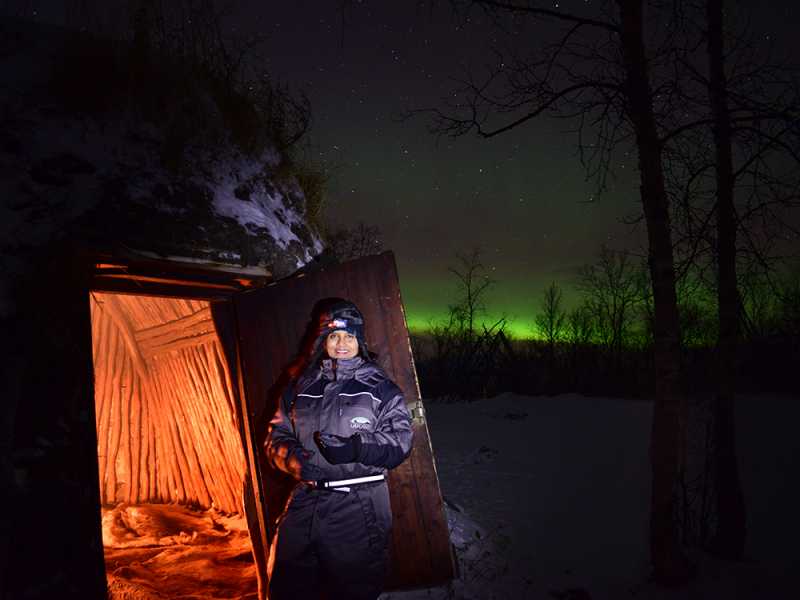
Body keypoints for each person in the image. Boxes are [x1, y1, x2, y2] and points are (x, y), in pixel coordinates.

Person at [264, 299, 414, 600]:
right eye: (334, 336)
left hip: (358, 506)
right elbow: (275, 437)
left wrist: (357, 448)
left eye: (349, 336)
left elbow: (400, 441)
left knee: (352, 590)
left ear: (360, 340)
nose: (341, 344)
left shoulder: (381, 388)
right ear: (323, 340)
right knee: (285, 585)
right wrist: (292, 460)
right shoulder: (300, 385)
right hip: (305, 500)